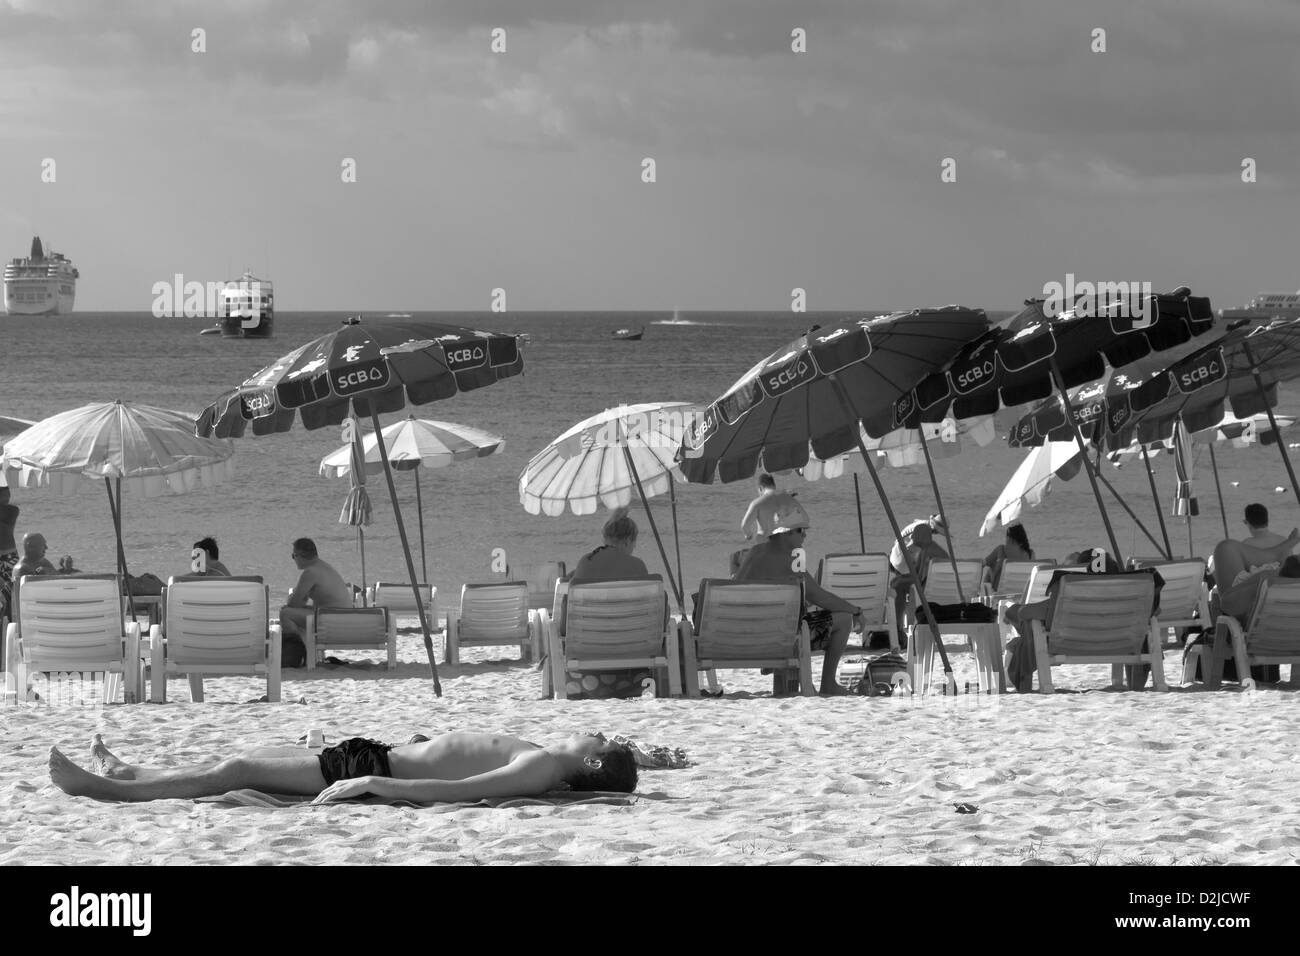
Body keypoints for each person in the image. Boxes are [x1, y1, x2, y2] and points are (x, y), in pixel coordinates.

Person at [49, 731, 637, 804]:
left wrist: (372, 781)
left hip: (367, 766)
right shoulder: (543, 756)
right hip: (371, 751)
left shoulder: (538, 768)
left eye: (601, 740)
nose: (597, 731)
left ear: (589, 758)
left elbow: (457, 789)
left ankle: (107, 790)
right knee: (243, 761)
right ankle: (132, 772)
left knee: (236, 769)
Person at [733, 494, 867, 696]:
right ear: (785, 534)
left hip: (751, 636)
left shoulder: (755, 553)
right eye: (800, 531)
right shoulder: (794, 561)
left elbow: (736, 591)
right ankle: (828, 683)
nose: (805, 535)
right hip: (783, 639)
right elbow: (821, 598)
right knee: (843, 619)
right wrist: (856, 610)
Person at [1002, 547, 1157, 693]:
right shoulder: (1131, 600)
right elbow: (1156, 611)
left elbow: (1028, 612)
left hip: (1070, 644)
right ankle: (1135, 688)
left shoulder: (1072, 596)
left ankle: (1023, 681)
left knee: (1028, 625)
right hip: (1122, 642)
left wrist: (1013, 611)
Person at [279, 538, 352, 667]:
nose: (293, 559)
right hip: (341, 618)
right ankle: (307, 653)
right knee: (296, 613)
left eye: (293, 556)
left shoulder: (310, 572)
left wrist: (292, 597)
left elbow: (294, 604)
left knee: (285, 614)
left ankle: (293, 656)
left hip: (330, 621)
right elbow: (301, 603)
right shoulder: (322, 567)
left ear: (298, 555)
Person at [888, 515, 949, 641]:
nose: (936, 534)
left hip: (899, 558)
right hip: (903, 560)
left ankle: (898, 626)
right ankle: (900, 626)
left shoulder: (921, 527)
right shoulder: (923, 530)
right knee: (903, 586)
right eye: (936, 531)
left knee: (901, 586)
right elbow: (913, 544)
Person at [570, 508, 650, 582]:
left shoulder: (586, 561)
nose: (634, 546)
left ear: (604, 539)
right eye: (634, 543)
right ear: (628, 541)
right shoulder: (637, 565)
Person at [740, 473, 781, 541]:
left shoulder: (757, 503)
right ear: (774, 486)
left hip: (764, 542)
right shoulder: (785, 498)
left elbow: (744, 525)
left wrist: (748, 535)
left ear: (760, 488)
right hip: (782, 541)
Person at [0, 488, 18, 619]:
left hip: (9, 557)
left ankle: (12, 620)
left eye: (9, 495)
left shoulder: (12, 510)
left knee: (11, 591)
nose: (8, 498)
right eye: (4, 495)